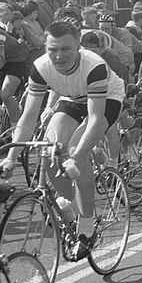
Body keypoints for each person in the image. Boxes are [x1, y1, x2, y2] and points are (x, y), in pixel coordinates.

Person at [11, 21, 126, 257]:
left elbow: (95, 119)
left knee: (76, 149)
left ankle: (87, 226)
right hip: (73, 99)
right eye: (52, 49)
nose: (58, 55)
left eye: (65, 49)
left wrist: (75, 157)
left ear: (78, 46)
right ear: (45, 47)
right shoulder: (41, 67)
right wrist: (11, 156)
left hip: (107, 99)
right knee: (49, 151)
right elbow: (29, 115)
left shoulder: (93, 65)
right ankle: (73, 209)